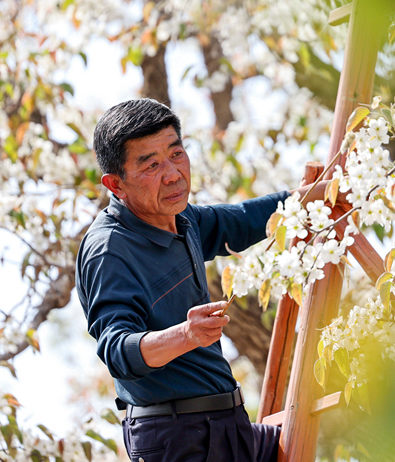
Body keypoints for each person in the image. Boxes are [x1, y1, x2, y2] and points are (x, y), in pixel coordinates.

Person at [76, 99, 328, 462]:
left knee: (294, 444)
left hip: (225, 425)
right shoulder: (109, 250)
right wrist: (186, 335)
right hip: (178, 439)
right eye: (151, 165)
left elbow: (238, 222)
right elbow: (118, 352)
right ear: (115, 184)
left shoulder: (182, 218)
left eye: (176, 154)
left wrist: (302, 200)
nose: (173, 174)